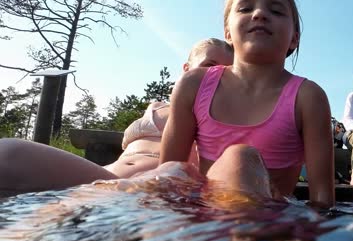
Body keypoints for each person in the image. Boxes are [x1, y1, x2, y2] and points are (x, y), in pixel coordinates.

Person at [159, 0, 334, 208]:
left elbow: (323, 200)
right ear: (227, 32)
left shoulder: (308, 97)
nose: (259, 14)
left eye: (276, 11)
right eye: (245, 8)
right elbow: (169, 178)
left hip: (271, 225)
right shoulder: (194, 85)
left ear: (295, 38)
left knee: (240, 156)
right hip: (205, 218)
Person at [0, 39, 233, 198]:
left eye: (226, 71)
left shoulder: (225, 117)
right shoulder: (161, 106)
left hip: (147, 190)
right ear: (187, 68)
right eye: (209, 65)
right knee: (6, 155)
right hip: (103, 176)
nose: (215, 75)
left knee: (9, 154)